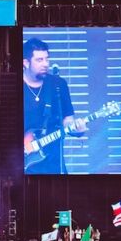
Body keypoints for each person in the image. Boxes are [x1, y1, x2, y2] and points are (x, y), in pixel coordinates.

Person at [21, 38, 84, 175]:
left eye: (46, 59)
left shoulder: (58, 84)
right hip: (24, 165)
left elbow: (67, 119)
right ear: (25, 63)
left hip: (54, 164)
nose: (45, 64)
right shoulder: (14, 86)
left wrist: (77, 129)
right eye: (39, 60)